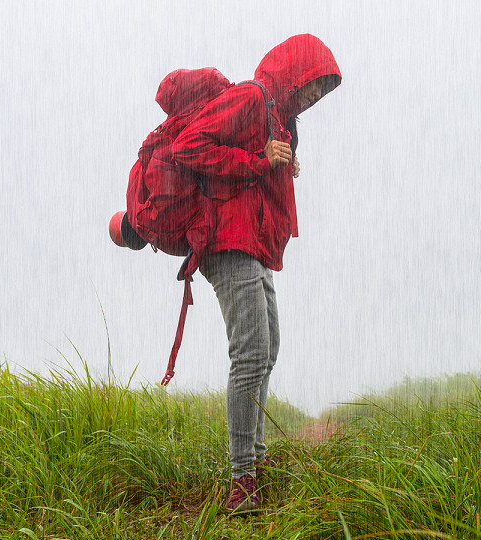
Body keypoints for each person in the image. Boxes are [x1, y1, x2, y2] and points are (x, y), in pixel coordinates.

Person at [171, 34, 341, 513]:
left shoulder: (277, 119)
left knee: (267, 350)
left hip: (253, 243)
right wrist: (256, 160)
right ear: (296, 72)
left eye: (322, 92)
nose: (314, 96)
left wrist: (277, 162)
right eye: (313, 85)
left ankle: (255, 461)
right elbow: (188, 147)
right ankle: (241, 478)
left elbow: (257, 168)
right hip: (229, 241)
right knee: (250, 355)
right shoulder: (251, 98)